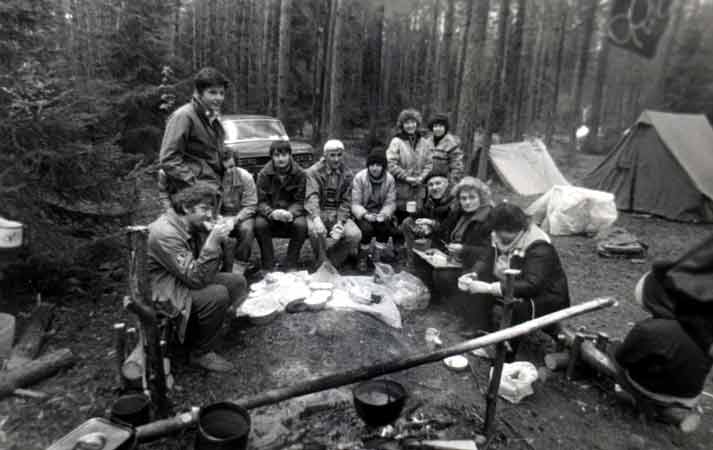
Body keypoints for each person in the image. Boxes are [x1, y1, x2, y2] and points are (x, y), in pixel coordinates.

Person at [147, 182, 246, 372]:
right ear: (186, 207)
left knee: (236, 282)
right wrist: (212, 242)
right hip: (163, 291)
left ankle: (210, 330)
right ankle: (200, 353)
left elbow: (202, 268)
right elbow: (197, 278)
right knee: (217, 294)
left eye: (212, 209)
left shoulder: (190, 225)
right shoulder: (165, 233)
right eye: (204, 209)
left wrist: (215, 238)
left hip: (181, 278)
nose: (210, 215)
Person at [615, 233, 713, 412]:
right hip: (690, 396)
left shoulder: (649, 329)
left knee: (616, 359)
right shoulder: (704, 326)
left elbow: (622, 359)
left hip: (653, 393)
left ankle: (635, 399)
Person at [458, 203, 570, 357]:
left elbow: (532, 285)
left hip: (546, 297)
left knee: (517, 307)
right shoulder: (500, 235)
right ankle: (481, 326)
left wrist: (490, 288)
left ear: (512, 229)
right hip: (512, 281)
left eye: (498, 231)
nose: (495, 235)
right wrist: (474, 273)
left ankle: (503, 352)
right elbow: (487, 257)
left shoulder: (539, 246)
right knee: (479, 280)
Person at [414, 177, 493, 310]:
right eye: (463, 198)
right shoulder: (459, 212)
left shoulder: (488, 218)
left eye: (472, 197)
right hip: (453, 256)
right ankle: (436, 297)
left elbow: (489, 252)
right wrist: (430, 227)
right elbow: (443, 229)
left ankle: (458, 306)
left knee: (442, 274)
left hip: (472, 264)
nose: (467, 202)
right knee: (421, 255)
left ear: (481, 197)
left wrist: (464, 249)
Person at [159, 67, 230, 197]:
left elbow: (209, 155)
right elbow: (169, 159)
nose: (219, 98)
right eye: (212, 92)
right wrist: (195, 186)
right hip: (191, 196)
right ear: (198, 93)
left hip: (213, 190)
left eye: (222, 93)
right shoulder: (184, 116)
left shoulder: (212, 118)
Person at [305, 139, 362, 268]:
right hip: (318, 211)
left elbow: (346, 201)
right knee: (315, 231)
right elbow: (312, 196)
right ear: (325, 155)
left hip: (337, 212)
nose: (336, 159)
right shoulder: (313, 172)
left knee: (354, 235)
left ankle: (331, 261)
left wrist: (340, 222)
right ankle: (321, 260)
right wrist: (316, 218)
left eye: (339, 155)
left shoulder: (347, 174)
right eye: (332, 155)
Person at [255, 140, 308, 270]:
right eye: (276, 155)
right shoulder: (263, 174)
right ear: (271, 157)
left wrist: (290, 213)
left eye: (284, 155)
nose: (280, 159)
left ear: (290, 155)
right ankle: (268, 265)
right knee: (260, 224)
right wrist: (271, 212)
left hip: (292, 214)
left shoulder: (300, 174)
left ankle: (291, 264)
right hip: (271, 213)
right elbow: (260, 201)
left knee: (301, 225)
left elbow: (301, 200)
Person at [352, 147, 397, 271]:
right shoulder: (360, 177)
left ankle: (377, 256)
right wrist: (365, 215)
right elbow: (355, 203)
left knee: (385, 228)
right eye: (372, 165)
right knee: (366, 230)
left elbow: (390, 202)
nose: (375, 168)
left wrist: (384, 214)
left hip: (380, 213)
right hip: (363, 212)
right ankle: (362, 257)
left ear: (383, 166)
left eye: (378, 165)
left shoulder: (390, 179)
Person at [400, 167, 455, 269]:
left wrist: (431, 223)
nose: (434, 187)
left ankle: (424, 263)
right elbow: (422, 214)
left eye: (438, 183)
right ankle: (412, 262)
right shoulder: (431, 199)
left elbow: (449, 228)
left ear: (447, 184)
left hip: (447, 241)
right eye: (431, 185)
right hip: (433, 233)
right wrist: (414, 211)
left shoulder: (453, 202)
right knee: (407, 222)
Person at [386, 108, 433, 224]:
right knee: (402, 219)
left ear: (417, 123)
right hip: (402, 189)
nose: (410, 125)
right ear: (402, 125)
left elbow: (429, 163)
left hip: (419, 189)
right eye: (407, 123)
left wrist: (422, 177)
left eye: (413, 122)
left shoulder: (424, 142)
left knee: (416, 218)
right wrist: (407, 177)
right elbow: (391, 163)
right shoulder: (396, 141)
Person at [220, 158, 258, 274]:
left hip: (241, 214)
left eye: (231, 167)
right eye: (224, 168)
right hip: (219, 216)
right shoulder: (212, 178)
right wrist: (219, 219)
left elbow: (251, 205)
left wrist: (235, 220)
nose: (228, 171)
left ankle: (239, 267)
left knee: (246, 230)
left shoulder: (245, 177)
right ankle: (218, 265)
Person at [425, 113, 464, 185]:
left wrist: (451, 183)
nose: (438, 129)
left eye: (441, 126)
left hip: (443, 182)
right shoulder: (427, 142)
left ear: (445, 127)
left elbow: (457, 167)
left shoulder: (452, 144)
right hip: (427, 182)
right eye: (435, 126)